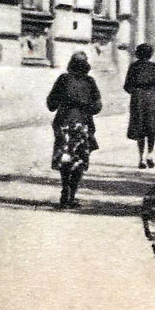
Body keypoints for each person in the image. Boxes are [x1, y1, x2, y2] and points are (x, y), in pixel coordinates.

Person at [46, 51, 102, 208]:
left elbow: (51, 104)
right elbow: (97, 107)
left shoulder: (63, 79)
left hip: (63, 122)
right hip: (83, 123)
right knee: (79, 159)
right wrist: (84, 105)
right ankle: (72, 195)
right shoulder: (90, 82)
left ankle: (65, 190)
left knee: (65, 157)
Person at [124, 42, 155, 169]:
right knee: (151, 128)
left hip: (138, 99)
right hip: (152, 98)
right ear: (150, 54)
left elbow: (127, 86)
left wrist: (136, 92)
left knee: (140, 128)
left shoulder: (133, 67)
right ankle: (150, 154)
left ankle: (141, 158)